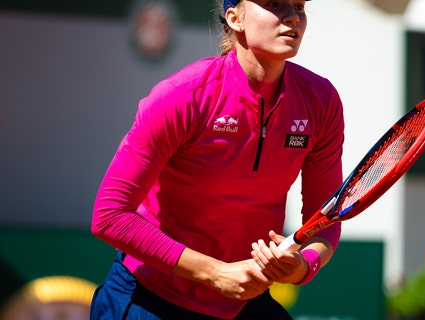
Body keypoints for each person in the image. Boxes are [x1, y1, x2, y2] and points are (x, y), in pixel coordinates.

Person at [89, 0, 345, 319]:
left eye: (299, 5)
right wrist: (215, 273)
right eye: (275, 4)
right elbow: (110, 214)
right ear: (234, 17)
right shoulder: (182, 95)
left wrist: (301, 266)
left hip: (242, 301)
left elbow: (324, 221)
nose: (293, 17)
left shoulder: (321, 101)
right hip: (150, 297)